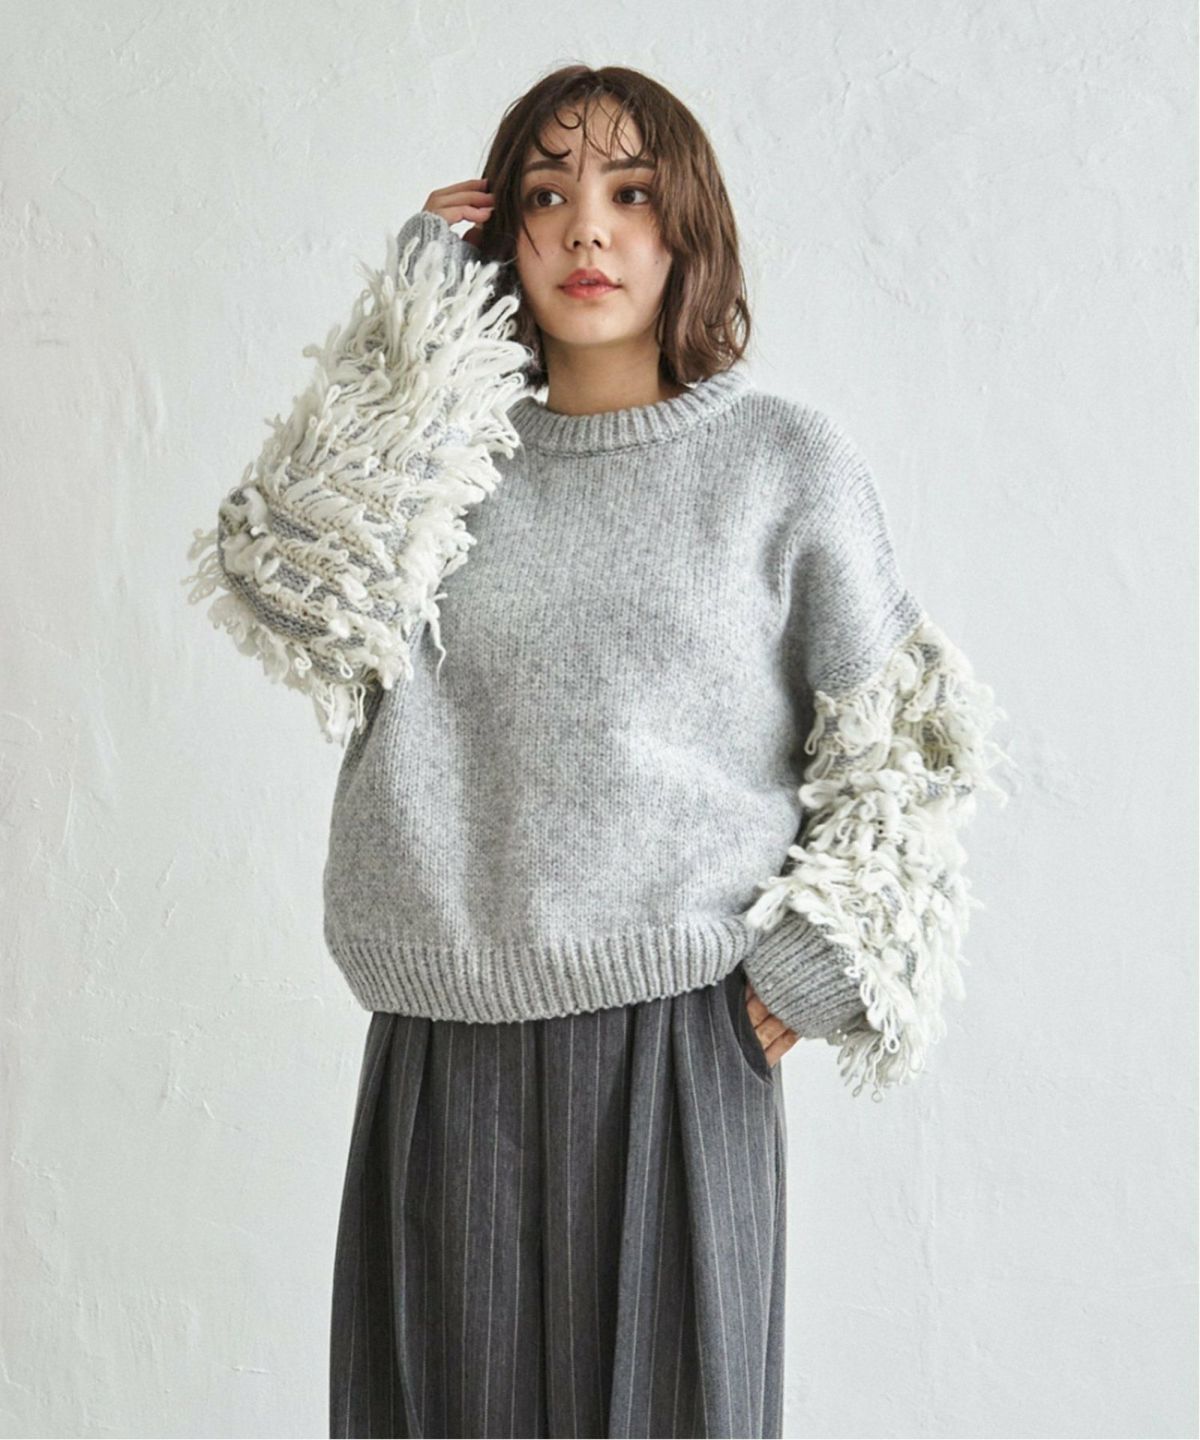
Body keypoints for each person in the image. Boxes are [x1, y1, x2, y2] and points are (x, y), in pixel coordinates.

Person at [185, 63, 1011, 1440]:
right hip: (446, 1042)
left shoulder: (782, 464)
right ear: (500, 233)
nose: (586, 228)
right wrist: (416, 336)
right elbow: (285, 585)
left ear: (690, 228)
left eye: (631, 194)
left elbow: (913, 747)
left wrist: (809, 971)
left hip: (683, 1039)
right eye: (545, 194)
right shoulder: (444, 468)